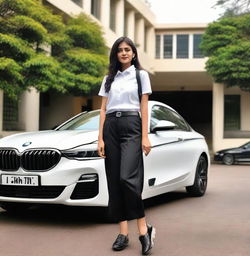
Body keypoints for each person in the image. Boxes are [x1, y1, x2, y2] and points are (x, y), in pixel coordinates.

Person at [97, 36, 156, 255]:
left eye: (127, 49)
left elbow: (144, 107)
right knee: (114, 181)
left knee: (127, 179)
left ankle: (143, 230)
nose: (124, 53)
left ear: (133, 53)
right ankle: (123, 233)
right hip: (111, 126)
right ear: (115, 54)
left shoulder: (141, 76)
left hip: (132, 125)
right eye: (120, 50)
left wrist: (145, 136)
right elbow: (103, 109)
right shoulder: (108, 79)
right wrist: (100, 138)